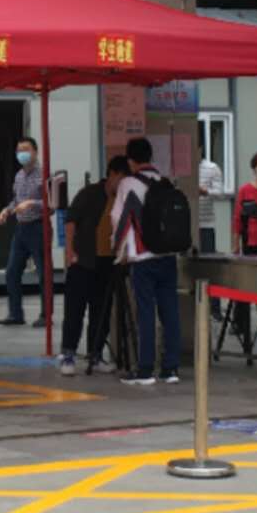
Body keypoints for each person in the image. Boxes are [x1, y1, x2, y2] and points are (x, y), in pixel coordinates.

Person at [111, 137, 182, 384]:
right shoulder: (164, 181)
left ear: (131, 161)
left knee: (145, 313)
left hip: (142, 258)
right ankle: (171, 368)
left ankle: (145, 369)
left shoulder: (128, 183)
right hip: (168, 255)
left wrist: (118, 251)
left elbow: (119, 220)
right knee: (170, 312)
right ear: (150, 157)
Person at [60, 157, 129, 376]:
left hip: (108, 263)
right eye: (122, 178)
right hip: (83, 260)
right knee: (75, 310)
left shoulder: (123, 198)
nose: (123, 184)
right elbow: (70, 221)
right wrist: (69, 251)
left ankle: (95, 354)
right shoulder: (89, 194)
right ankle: (68, 354)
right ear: (112, 174)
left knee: (101, 312)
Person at [0, 137, 49, 327]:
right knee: (12, 272)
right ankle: (15, 314)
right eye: (19, 151)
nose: (22, 154)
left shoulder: (44, 175)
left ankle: (46, 315)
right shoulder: (19, 175)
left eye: (26, 150)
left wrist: (31, 203)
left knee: (43, 274)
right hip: (21, 229)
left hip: (38, 226)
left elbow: (51, 204)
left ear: (35, 152)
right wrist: (7, 210)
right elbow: (16, 200)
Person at [232, 151, 257, 339]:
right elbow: (237, 219)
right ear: (254, 169)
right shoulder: (245, 190)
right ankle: (241, 325)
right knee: (248, 286)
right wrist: (235, 244)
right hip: (251, 244)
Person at [197, 146, 223, 255]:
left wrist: (205, 191)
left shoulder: (212, 168)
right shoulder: (181, 168)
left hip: (206, 223)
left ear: (200, 149)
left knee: (206, 258)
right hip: (183, 223)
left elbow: (219, 193)